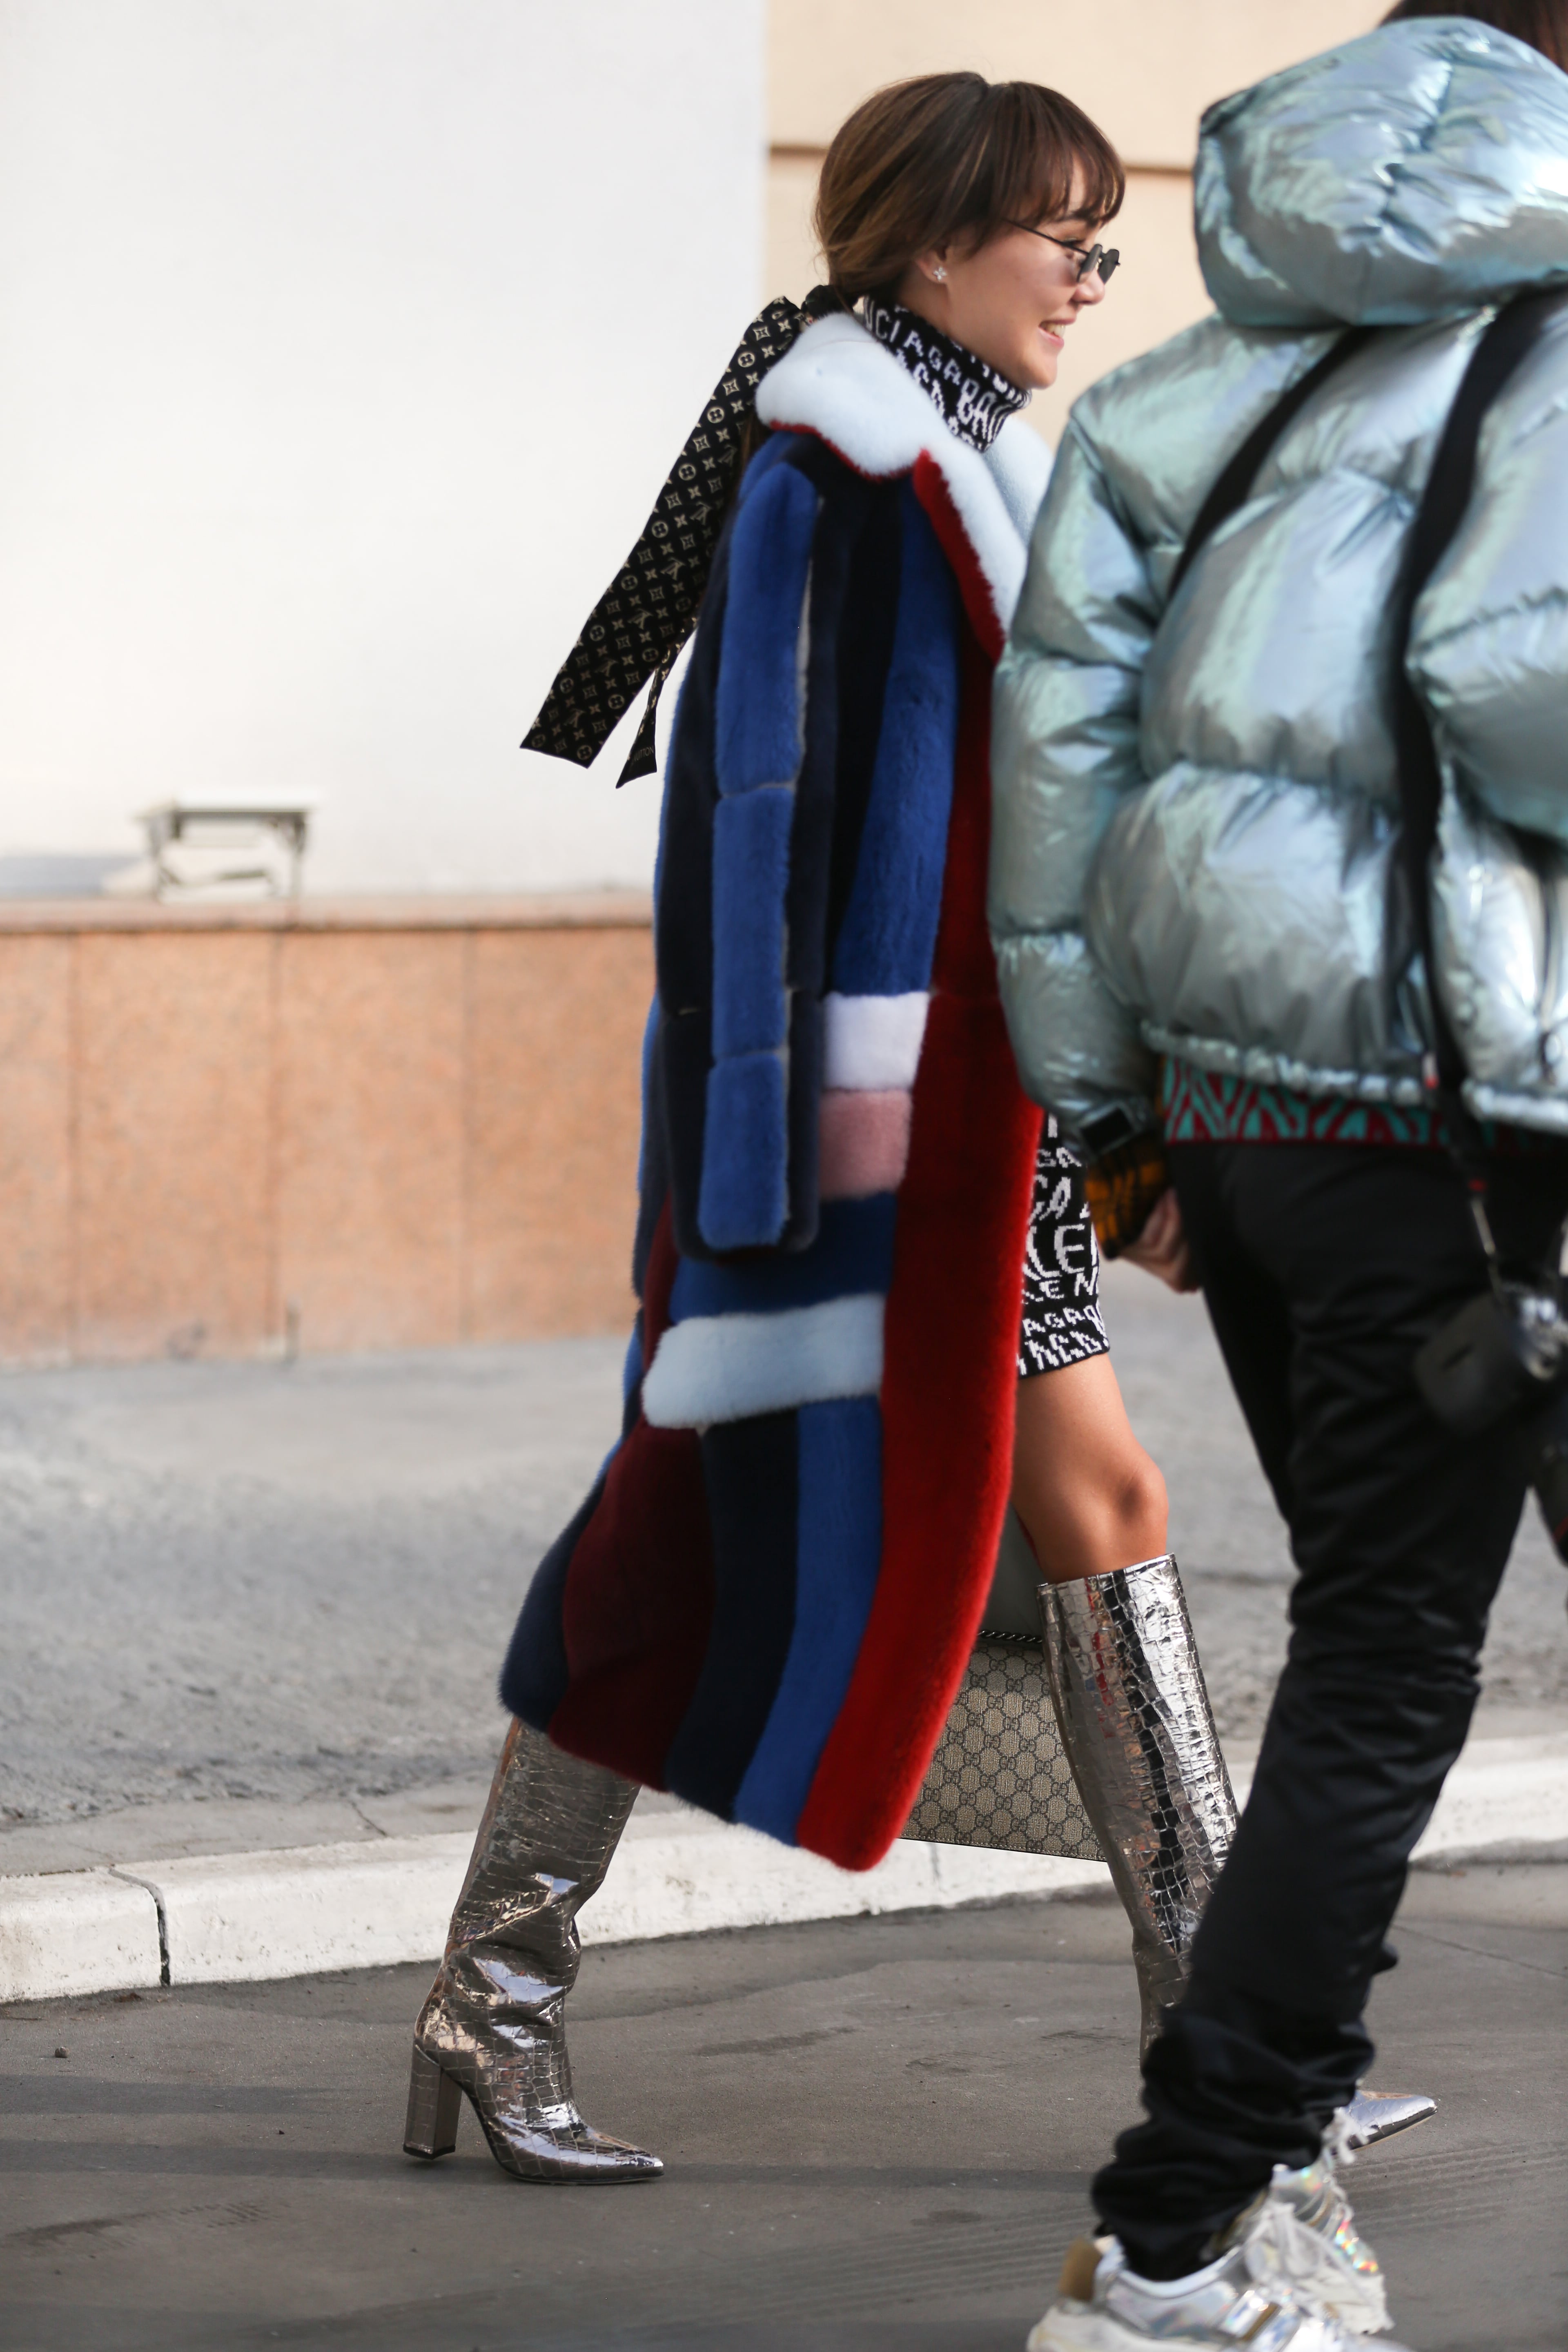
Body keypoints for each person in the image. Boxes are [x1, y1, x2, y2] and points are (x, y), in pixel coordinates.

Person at [398, 70, 1244, 2191]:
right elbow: (754, 855)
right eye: (1061, 235)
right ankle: (492, 2000)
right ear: (933, 244)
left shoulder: (971, 460)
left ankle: (1235, 2046)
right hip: (855, 1164)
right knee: (669, 1555)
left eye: (1105, 239)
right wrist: (776, 1183)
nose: (1092, 275)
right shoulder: (838, 471)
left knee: (1098, 1509)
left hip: (981, 1137)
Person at [994, 7, 1568, 2346]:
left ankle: (1247, 2202)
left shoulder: (1181, 400)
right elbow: (1520, 675)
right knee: (1385, 1673)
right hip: (1483, 1135)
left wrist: (1120, 1127)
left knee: (1371, 1651)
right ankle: (1182, 2234)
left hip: (1248, 1132)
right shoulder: (1549, 369)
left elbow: (1057, 785)